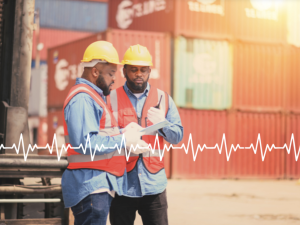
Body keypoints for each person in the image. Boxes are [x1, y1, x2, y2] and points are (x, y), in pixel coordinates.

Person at [61, 41, 149, 225]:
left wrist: (124, 132)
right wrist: (123, 139)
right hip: (91, 186)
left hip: (97, 185)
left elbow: (100, 134)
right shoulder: (83, 98)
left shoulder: (94, 97)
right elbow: (85, 143)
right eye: (110, 73)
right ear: (95, 72)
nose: (114, 79)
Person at [108, 44, 184, 225]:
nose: (138, 74)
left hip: (154, 186)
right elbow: (101, 136)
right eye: (133, 69)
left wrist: (162, 125)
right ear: (124, 70)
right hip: (121, 185)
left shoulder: (163, 99)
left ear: (149, 71)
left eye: (143, 70)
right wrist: (121, 134)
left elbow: (178, 136)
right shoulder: (110, 99)